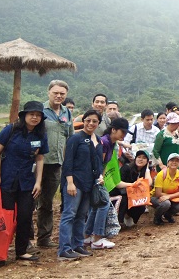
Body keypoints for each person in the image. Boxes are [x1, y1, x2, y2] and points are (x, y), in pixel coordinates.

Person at [0, 101, 48, 265]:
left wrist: (38, 182)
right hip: (6, 180)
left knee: (24, 217)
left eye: (38, 115)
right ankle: (0, 254)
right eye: (31, 114)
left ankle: (21, 251)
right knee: (5, 219)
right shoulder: (11, 130)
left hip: (27, 182)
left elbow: (40, 158)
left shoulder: (41, 135)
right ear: (24, 116)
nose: (35, 117)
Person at [57, 110, 103, 260]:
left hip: (89, 183)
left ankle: (78, 244)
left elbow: (99, 162)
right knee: (69, 214)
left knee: (81, 215)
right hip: (75, 181)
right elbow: (68, 162)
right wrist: (69, 182)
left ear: (98, 123)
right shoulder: (75, 138)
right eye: (88, 120)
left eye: (94, 121)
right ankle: (64, 248)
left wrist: (100, 176)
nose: (91, 123)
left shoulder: (98, 140)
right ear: (83, 121)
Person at [37, 80, 74, 249]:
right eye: (56, 93)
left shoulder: (67, 113)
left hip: (57, 163)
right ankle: (25, 239)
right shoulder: (39, 111)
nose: (59, 96)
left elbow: (70, 138)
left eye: (62, 94)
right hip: (37, 163)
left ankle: (44, 238)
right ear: (48, 92)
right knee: (29, 201)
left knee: (47, 201)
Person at [84, 118, 129, 250]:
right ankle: (97, 238)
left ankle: (87, 236)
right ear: (113, 129)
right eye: (122, 132)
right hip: (94, 176)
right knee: (103, 204)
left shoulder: (112, 143)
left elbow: (104, 164)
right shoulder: (104, 142)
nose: (123, 135)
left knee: (95, 206)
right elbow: (98, 162)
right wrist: (98, 178)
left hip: (98, 177)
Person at [118, 150, 152, 227]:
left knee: (142, 206)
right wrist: (132, 185)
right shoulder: (126, 168)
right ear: (135, 158)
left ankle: (130, 217)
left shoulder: (144, 172)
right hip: (121, 192)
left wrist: (147, 169)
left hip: (135, 195)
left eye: (144, 158)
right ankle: (120, 221)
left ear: (147, 161)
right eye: (139, 157)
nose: (141, 159)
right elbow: (118, 183)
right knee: (125, 199)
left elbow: (149, 183)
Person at [151, 153, 179, 225]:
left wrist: (169, 196)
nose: (174, 162)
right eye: (172, 160)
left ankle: (168, 215)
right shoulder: (161, 174)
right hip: (156, 197)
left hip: (171, 197)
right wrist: (171, 196)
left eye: (177, 161)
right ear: (167, 163)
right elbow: (158, 193)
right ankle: (157, 217)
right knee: (166, 203)